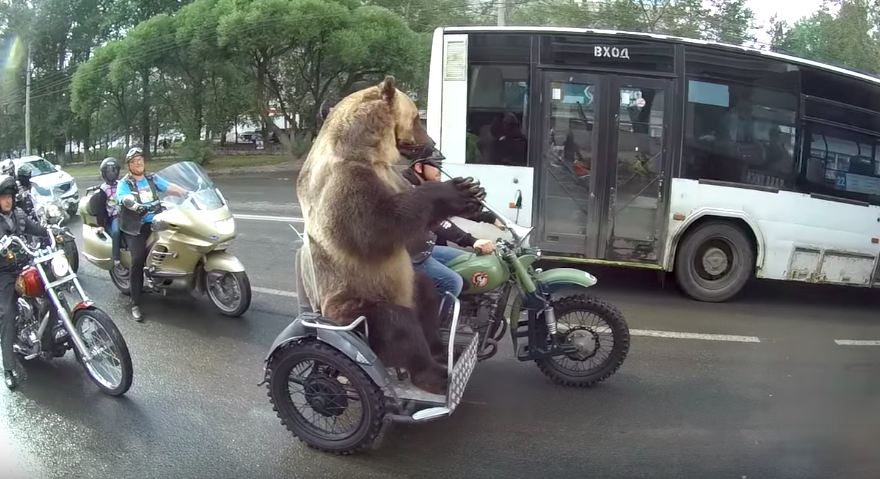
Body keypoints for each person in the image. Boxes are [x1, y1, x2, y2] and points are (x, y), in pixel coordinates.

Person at [402, 151, 504, 298]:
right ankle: (434, 320)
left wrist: (491, 218)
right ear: (419, 167)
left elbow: (451, 206)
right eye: (437, 165)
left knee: (467, 260)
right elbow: (438, 222)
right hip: (409, 256)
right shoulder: (408, 189)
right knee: (452, 282)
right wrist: (472, 241)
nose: (440, 170)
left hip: (424, 251)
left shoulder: (426, 188)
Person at [116, 147, 187, 321]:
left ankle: (165, 277)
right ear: (129, 166)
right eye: (134, 161)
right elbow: (123, 198)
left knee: (178, 238)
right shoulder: (124, 183)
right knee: (138, 258)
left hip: (156, 221)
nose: (138, 163)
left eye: (140, 159)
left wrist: (186, 192)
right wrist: (134, 205)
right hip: (135, 227)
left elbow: (169, 187)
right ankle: (136, 303)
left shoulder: (152, 178)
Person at [0, 174, 51, 389]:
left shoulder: (19, 215)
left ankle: (50, 339)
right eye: (2, 197)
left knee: (52, 291)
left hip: (27, 264)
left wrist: (51, 232)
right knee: (8, 313)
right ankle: (9, 366)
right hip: (5, 273)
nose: (7, 201)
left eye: (9, 197)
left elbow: (34, 228)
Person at [88, 157, 123, 268]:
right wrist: (100, 225)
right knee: (117, 232)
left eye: (114, 170)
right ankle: (116, 258)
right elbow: (101, 208)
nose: (111, 174)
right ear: (104, 173)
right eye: (108, 171)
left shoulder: (121, 185)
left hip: (125, 214)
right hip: (114, 216)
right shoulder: (103, 189)